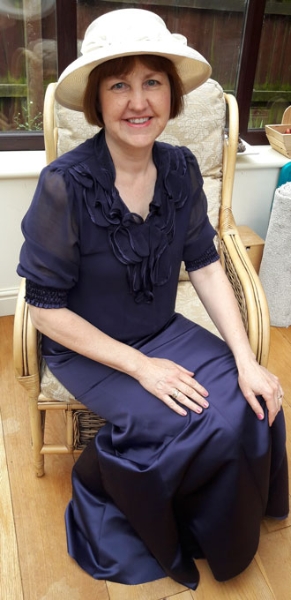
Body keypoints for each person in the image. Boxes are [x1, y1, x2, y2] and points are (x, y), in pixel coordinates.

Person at [17, 8, 289, 591]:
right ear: (96, 101)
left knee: (255, 400)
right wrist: (143, 368)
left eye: (152, 82)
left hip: (163, 328)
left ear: (170, 96)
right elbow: (43, 308)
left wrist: (246, 359)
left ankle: (215, 526)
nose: (137, 101)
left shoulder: (181, 167)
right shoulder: (65, 185)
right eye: (119, 84)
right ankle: (109, 483)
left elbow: (208, 265)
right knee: (197, 426)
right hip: (90, 348)